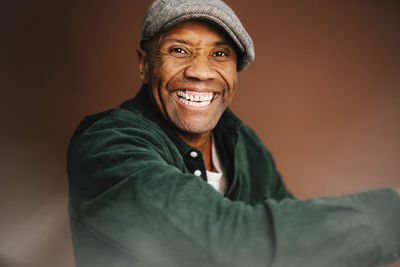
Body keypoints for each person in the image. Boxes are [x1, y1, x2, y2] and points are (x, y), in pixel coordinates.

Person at [67, 0, 400, 266]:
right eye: (179, 50)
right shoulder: (108, 147)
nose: (200, 71)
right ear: (144, 64)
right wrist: (391, 213)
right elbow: (229, 243)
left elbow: (298, 249)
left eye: (220, 54)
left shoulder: (242, 143)